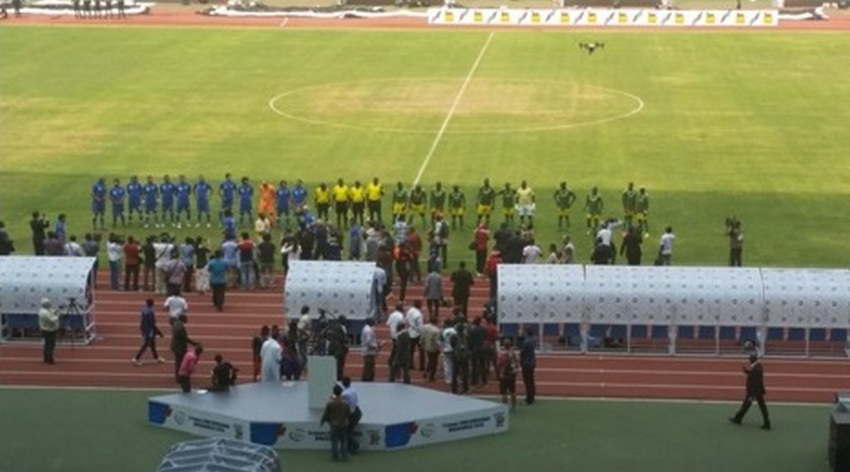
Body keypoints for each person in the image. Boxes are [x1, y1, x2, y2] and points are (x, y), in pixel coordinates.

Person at [729, 354, 771, 430]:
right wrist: (747, 371)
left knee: (748, 405)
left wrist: (752, 394)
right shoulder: (758, 366)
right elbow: (754, 376)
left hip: (754, 392)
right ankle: (738, 418)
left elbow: (755, 381)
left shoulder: (756, 369)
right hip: (756, 391)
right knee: (757, 406)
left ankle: (738, 419)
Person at [320, 385, 350, 462]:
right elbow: (348, 413)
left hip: (334, 424)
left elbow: (326, 414)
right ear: (341, 392)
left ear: (334, 392)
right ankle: (344, 455)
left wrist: (322, 421)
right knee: (343, 440)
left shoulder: (330, 403)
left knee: (334, 441)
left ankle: (335, 456)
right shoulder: (345, 403)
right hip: (343, 424)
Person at [132, 299, 165, 365]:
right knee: (146, 345)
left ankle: (156, 358)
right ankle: (136, 358)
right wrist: (159, 332)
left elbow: (143, 322)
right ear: (152, 304)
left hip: (145, 329)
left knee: (152, 345)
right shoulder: (150, 312)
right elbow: (152, 324)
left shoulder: (144, 310)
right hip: (149, 331)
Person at [170, 313, 198, 381]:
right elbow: (184, 338)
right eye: (185, 318)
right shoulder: (180, 327)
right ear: (182, 319)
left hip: (176, 345)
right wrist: (194, 343)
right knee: (181, 362)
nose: (187, 319)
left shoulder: (176, 324)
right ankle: (180, 377)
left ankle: (178, 376)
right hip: (179, 347)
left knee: (178, 362)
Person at [340, 377, 362, 454]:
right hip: (357, 411)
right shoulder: (353, 390)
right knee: (349, 430)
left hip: (352, 414)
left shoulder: (344, 394)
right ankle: (350, 448)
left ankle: (355, 445)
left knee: (346, 432)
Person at [497, 338, 519, 409]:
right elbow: (517, 364)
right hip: (512, 375)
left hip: (504, 375)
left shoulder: (501, 354)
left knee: (504, 393)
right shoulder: (513, 353)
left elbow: (499, 364)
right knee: (513, 391)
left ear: (504, 345)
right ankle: (514, 406)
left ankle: (505, 406)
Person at [38, 298, 60, 365]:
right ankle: (50, 358)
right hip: (48, 330)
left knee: (47, 344)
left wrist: (55, 311)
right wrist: (58, 316)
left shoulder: (45, 310)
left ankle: (46, 357)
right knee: (50, 345)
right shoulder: (44, 313)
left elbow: (51, 311)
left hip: (48, 330)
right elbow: (52, 320)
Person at [421, 316, 441, 382]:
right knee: (434, 362)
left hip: (426, 346)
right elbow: (436, 341)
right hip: (433, 348)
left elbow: (422, 336)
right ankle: (431, 376)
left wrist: (422, 343)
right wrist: (438, 348)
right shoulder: (436, 330)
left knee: (430, 360)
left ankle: (426, 371)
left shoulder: (425, 327)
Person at [520, 328, 537, 405]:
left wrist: (521, 361)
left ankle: (529, 398)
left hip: (526, 363)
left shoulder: (526, 342)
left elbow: (522, 353)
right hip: (532, 362)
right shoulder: (533, 340)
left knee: (527, 381)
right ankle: (532, 396)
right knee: (531, 380)